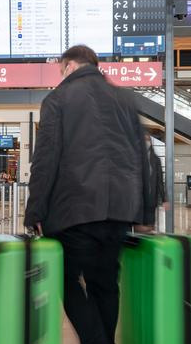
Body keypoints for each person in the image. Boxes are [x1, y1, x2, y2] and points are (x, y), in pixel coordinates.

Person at [25, 45, 152, 344]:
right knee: (105, 284)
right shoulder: (124, 98)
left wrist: (35, 212)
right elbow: (142, 157)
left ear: (69, 65)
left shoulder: (58, 99)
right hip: (120, 211)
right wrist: (145, 213)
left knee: (64, 278)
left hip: (74, 210)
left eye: (60, 69)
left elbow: (45, 159)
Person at [144, 133, 167, 226]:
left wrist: (164, 199)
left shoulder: (156, 159)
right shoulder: (137, 158)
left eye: (147, 140)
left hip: (151, 199)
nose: (146, 142)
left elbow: (159, 180)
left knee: (150, 224)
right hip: (138, 199)